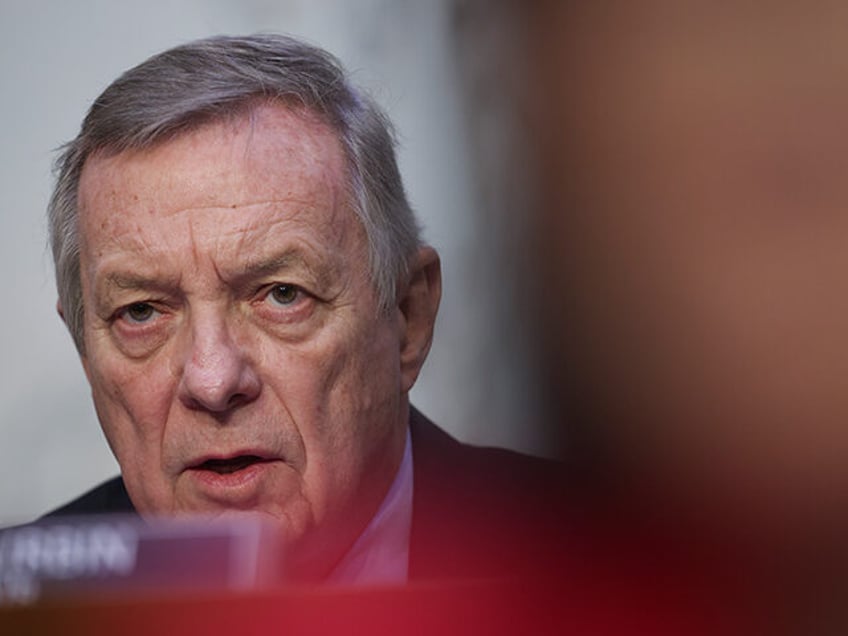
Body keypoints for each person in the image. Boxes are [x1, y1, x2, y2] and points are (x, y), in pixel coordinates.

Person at [39, 33, 565, 585]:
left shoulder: (610, 568)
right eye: (142, 312)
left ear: (408, 317)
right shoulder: (31, 607)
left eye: (281, 295)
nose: (213, 381)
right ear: (84, 348)